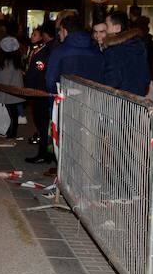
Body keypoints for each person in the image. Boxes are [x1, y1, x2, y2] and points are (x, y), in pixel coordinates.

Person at [29, 15, 103, 165]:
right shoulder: (96, 49)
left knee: (64, 139)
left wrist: (53, 98)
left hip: (64, 102)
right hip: (90, 102)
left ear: (65, 30)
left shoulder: (61, 51)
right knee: (84, 140)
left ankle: (65, 176)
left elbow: (50, 80)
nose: (58, 34)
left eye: (60, 30)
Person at [102, 10, 151, 97]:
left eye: (106, 25)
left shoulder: (113, 51)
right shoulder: (139, 46)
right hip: (138, 98)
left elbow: (112, 81)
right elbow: (146, 77)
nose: (104, 29)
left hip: (119, 100)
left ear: (117, 28)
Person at [24, 20, 55, 152]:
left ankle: (44, 150)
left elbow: (38, 69)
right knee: (39, 119)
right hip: (37, 89)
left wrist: (29, 84)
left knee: (41, 120)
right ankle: (43, 146)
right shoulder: (37, 49)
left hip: (39, 89)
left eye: (36, 34)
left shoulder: (43, 50)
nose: (32, 37)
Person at [0, 36, 25, 139]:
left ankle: (10, 135)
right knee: (13, 113)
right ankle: (12, 133)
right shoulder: (17, 62)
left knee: (10, 114)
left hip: (6, 93)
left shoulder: (2, 63)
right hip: (16, 92)